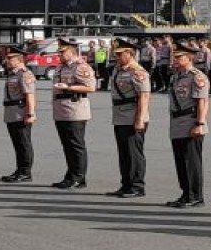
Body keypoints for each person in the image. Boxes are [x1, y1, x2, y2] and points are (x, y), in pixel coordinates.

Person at [166, 42, 209, 208]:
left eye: (179, 57)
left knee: (191, 161)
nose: (175, 60)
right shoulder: (176, 76)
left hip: (191, 120)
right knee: (180, 160)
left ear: (189, 58)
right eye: (174, 57)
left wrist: (200, 123)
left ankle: (196, 196)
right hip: (177, 121)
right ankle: (186, 193)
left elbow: (202, 102)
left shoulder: (197, 76)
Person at [105, 38, 150, 197]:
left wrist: (140, 119)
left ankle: (137, 186)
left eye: (119, 54)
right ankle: (126, 184)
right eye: (116, 54)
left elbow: (144, 97)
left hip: (133, 115)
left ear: (129, 54)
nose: (116, 57)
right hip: (119, 115)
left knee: (134, 153)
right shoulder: (118, 70)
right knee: (123, 153)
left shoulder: (138, 72)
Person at [52, 38, 97, 189]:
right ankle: (71, 174)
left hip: (75, 109)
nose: (60, 55)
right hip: (61, 109)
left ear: (71, 52)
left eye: (62, 52)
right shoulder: (61, 67)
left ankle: (78, 176)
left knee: (76, 144)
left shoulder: (80, 66)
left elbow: (91, 87)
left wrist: (69, 87)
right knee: (67, 145)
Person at [0, 45, 37, 183]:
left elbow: (30, 95)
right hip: (11, 112)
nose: (7, 61)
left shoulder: (24, 74)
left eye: (10, 58)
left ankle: (26, 171)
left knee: (23, 142)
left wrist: (30, 113)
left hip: (21, 111)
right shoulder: (13, 74)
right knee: (17, 143)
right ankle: (19, 169)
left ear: (19, 59)